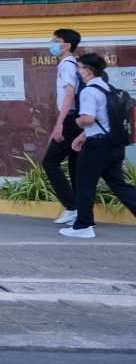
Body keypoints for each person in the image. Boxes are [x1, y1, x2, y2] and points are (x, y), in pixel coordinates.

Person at [62, 53, 136, 238]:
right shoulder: (108, 87)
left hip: (97, 147)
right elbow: (106, 119)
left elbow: (88, 119)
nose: (78, 72)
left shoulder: (88, 91)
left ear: (86, 71)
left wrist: (77, 123)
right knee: (120, 185)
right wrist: (83, 136)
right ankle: (83, 224)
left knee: (85, 185)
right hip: (114, 145)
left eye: (79, 68)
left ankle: (83, 226)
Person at [41, 29, 83, 225]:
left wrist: (59, 124)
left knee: (50, 162)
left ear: (66, 46)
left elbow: (69, 94)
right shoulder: (70, 65)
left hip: (71, 120)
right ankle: (78, 209)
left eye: (56, 40)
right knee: (75, 166)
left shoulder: (67, 65)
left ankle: (72, 206)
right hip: (76, 120)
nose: (52, 43)